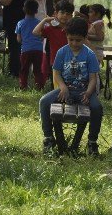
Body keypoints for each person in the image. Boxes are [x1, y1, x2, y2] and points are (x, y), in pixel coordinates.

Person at [38, 17, 103, 156]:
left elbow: (93, 78)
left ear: (85, 38)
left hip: (83, 91)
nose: (74, 43)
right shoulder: (62, 52)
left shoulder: (89, 54)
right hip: (65, 90)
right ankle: (48, 138)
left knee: (97, 107)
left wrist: (88, 93)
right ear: (66, 36)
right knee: (44, 101)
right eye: (70, 39)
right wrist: (63, 87)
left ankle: (92, 141)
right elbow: (56, 73)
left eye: (78, 40)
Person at [35, 0, 74, 77]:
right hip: (55, 62)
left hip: (71, 62)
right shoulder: (51, 29)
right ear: (56, 14)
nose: (65, 16)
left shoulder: (72, 29)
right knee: (56, 86)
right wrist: (45, 20)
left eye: (68, 14)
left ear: (71, 16)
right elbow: (35, 32)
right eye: (62, 13)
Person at [16, 0, 46, 91]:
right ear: (36, 11)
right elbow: (42, 37)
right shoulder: (39, 23)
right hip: (38, 50)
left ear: (24, 9)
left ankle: (23, 86)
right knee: (37, 70)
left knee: (24, 70)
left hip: (26, 50)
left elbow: (19, 39)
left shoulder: (20, 23)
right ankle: (39, 87)